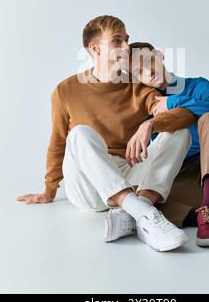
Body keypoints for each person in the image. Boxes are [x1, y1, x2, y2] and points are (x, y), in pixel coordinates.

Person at [17, 15, 197, 252]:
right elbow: (58, 142)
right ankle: (146, 216)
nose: (126, 47)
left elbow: (184, 115)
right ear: (95, 48)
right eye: (117, 41)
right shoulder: (66, 90)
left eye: (126, 40)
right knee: (79, 133)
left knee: (179, 131)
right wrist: (49, 190)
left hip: (130, 175)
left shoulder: (137, 85)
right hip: (89, 187)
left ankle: (136, 212)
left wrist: (150, 125)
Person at [124, 42, 209, 247]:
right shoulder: (148, 108)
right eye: (138, 71)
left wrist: (172, 102)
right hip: (185, 182)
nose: (148, 71)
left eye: (149, 61)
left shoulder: (198, 85)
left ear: (160, 56)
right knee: (135, 202)